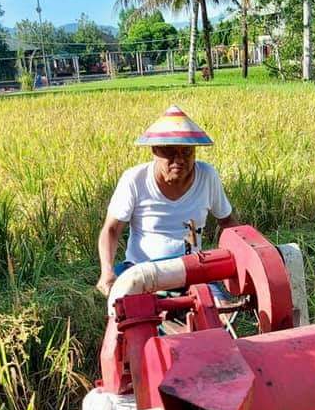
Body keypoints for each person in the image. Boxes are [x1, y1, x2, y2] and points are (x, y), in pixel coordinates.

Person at [96, 105, 238, 294]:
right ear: (155, 151)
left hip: (192, 269)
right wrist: (106, 271)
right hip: (142, 271)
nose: (179, 160)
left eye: (186, 152)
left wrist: (242, 257)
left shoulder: (207, 176)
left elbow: (228, 222)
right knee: (127, 314)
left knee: (218, 313)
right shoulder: (134, 180)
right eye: (170, 152)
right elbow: (112, 229)